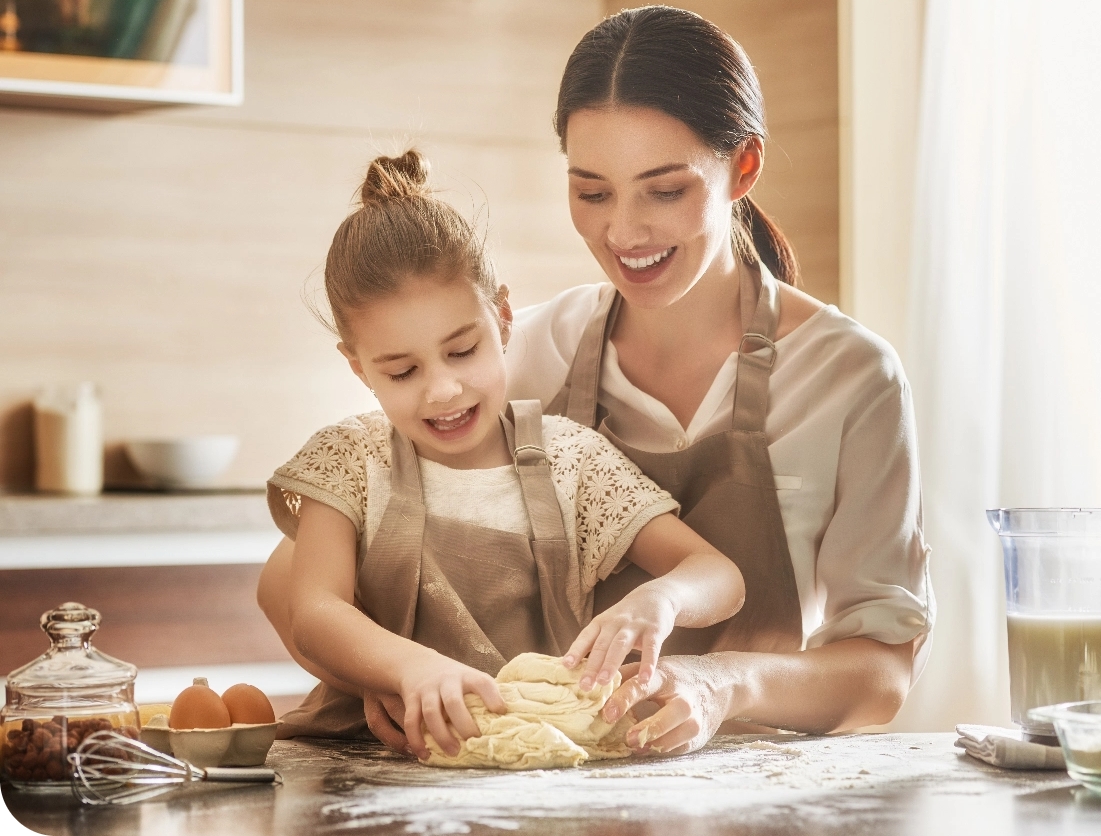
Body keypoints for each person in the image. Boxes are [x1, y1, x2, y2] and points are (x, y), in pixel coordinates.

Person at [260, 5, 934, 757]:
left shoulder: (849, 378)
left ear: (743, 166)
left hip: (749, 792)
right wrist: (383, 676)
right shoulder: (528, 353)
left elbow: (881, 674)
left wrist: (719, 685)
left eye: (665, 190)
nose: (624, 232)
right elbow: (298, 583)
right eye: (592, 191)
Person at [265, 148, 746, 761]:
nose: (442, 389)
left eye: (462, 351)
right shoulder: (351, 459)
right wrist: (405, 672)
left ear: (503, 317)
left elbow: (718, 575)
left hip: (544, 759)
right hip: (370, 757)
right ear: (359, 368)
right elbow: (314, 609)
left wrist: (661, 600)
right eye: (403, 370)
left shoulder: (572, 459)